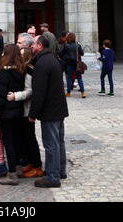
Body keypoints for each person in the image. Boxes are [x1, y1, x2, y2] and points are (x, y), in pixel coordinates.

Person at [29, 35, 69, 188]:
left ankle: (53, 177)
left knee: (51, 144)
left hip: (50, 110)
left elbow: (39, 92)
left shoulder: (42, 63)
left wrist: (33, 114)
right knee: (59, 141)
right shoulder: (52, 59)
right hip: (59, 108)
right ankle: (60, 171)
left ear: (40, 45)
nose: (32, 47)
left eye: (33, 44)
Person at [0, 44, 25, 186]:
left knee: (9, 142)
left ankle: (12, 174)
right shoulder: (21, 70)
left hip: (6, 112)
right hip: (18, 110)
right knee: (16, 140)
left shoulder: (5, 73)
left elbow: (0, 96)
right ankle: (17, 168)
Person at [7, 47, 43, 178]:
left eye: (22, 55)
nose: (19, 57)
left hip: (27, 109)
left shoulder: (29, 70)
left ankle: (37, 166)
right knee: (25, 138)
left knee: (30, 138)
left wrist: (16, 96)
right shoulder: (22, 68)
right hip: (22, 110)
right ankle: (30, 162)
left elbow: (29, 91)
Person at [59, 32, 86, 98]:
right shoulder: (77, 45)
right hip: (77, 64)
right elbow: (82, 53)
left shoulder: (66, 45)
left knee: (69, 78)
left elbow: (61, 54)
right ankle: (83, 93)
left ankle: (68, 92)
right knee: (79, 78)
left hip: (69, 64)